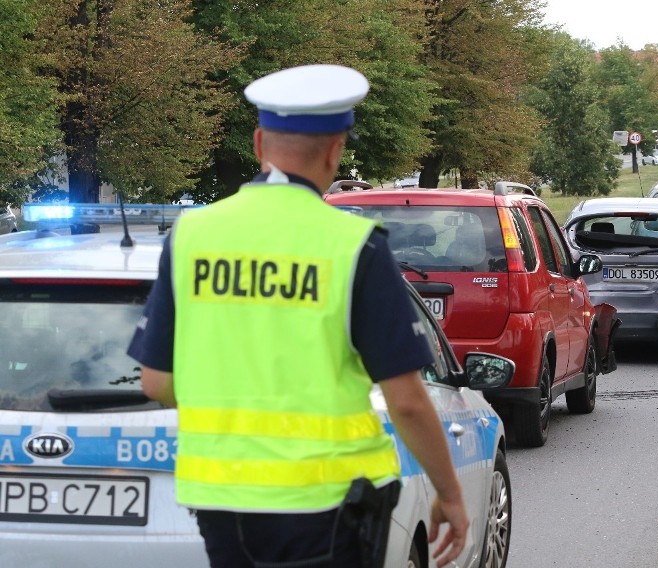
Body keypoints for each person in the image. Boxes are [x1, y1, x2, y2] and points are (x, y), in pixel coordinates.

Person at [127, 64, 468, 568]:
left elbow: (155, 381)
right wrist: (450, 495)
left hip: (219, 501)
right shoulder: (354, 247)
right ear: (336, 149)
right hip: (323, 505)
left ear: (259, 142)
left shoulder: (191, 236)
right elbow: (409, 402)